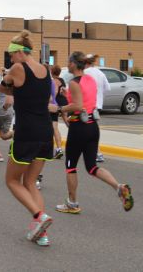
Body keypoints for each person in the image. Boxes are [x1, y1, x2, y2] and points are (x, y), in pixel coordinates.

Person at [54, 52, 134, 214]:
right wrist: (66, 95)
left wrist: (59, 108)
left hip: (79, 128)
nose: (67, 64)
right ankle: (118, 187)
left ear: (74, 64)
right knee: (91, 166)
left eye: (69, 62)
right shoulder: (90, 79)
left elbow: (77, 105)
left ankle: (72, 203)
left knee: (71, 166)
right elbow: (85, 101)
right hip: (92, 126)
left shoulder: (75, 82)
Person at [0, 30, 54, 246]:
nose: (10, 59)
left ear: (20, 52)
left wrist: (6, 77)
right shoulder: (45, 69)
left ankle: (39, 217)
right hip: (45, 131)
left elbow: (3, 88)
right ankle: (42, 233)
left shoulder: (17, 68)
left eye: (11, 54)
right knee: (30, 182)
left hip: (27, 132)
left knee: (12, 180)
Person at [84, 54, 111, 163]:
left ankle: (98, 153)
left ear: (86, 62)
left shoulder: (85, 73)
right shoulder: (100, 73)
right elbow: (107, 88)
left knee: (87, 129)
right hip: (98, 106)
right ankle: (94, 151)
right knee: (92, 128)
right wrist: (99, 95)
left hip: (87, 105)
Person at [51, 65, 68, 159]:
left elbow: (55, 93)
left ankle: (59, 149)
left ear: (52, 72)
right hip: (64, 102)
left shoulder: (54, 81)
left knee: (54, 127)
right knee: (67, 122)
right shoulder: (62, 80)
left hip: (56, 105)